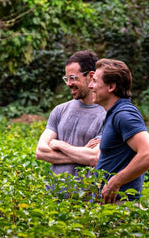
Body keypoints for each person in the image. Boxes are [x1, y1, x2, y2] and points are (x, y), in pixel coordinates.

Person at [90, 58, 149, 204]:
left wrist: (115, 182)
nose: (91, 86)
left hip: (120, 206)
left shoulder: (124, 114)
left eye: (95, 81)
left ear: (111, 87)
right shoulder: (114, 113)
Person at [35, 50, 106, 187]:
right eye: (66, 79)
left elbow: (93, 158)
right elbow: (41, 151)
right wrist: (81, 153)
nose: (68, 83)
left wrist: (59, 144)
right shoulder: (60, 110)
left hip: (85, 198)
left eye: (73, 78)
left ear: (91, 76)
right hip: (52, 197)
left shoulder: (106, 115)